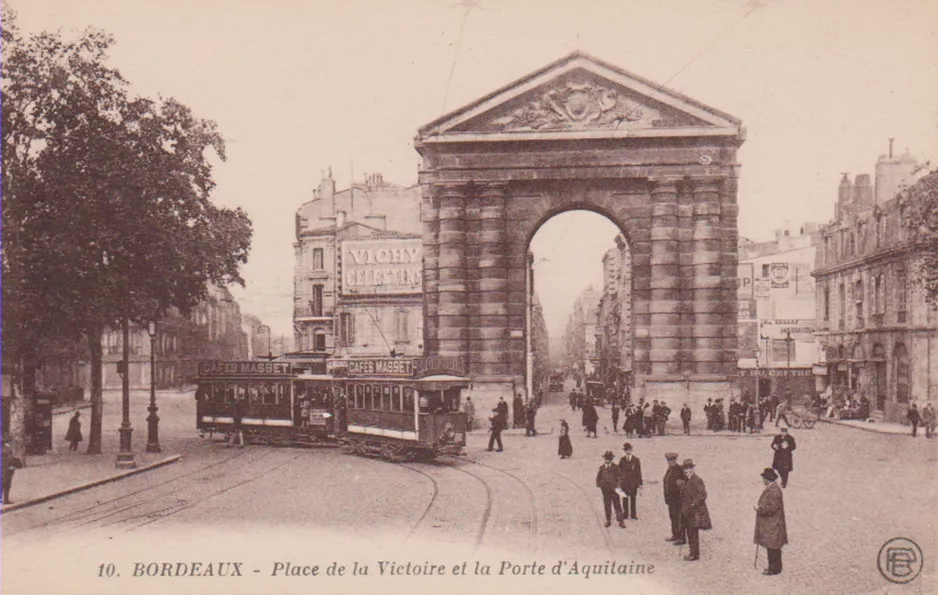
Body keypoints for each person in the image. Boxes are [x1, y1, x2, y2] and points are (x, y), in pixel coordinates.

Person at [754, 467, 788, 575]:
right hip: (773, 523)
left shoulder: (773, 490)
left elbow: (772, 508)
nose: (762, 480)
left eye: (763, 478)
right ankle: (776, 568)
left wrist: (760, 509)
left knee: (772, 547)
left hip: (772, 524)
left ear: (767, 479)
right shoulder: (773, 488)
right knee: (774, 547)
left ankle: (773, 569)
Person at [679, 459, 711, 561]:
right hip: (687, 510)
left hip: (694, 511)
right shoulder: (687, 479)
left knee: (693, 533)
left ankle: (694, 554)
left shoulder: (696, 480)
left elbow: (703, 494)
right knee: (689, 531)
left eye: (688, 468)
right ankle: (692, 552)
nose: (686, 470)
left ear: (693, 469)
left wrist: (694, 503)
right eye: (685, 468)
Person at [596, 451, 626, 529]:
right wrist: (600, 484)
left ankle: (621, 521)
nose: (607, 460)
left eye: (609, 459)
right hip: (605, 490)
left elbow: (620, 477)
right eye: (606, 459)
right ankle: (608, 520)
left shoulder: (616, 468)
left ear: (612, 459)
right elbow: (598, 478)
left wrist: (618, 486)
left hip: (614, 490)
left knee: (617, 505)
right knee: (607, 505)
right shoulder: (602, 468)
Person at [663, 452, 686, 544]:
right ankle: (675, 534)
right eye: (668, 461)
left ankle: (682, 537)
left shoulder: (679, 470)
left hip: (678, 499)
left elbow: (684, 483)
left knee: (680, 518)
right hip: (671, 499)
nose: (670, 462)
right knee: (673, 517)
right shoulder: (669, 470)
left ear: (675, 460)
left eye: (672, 460)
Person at [618, 443, 642, 520]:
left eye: (629, 450)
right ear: (625, 451)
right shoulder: (622, 460)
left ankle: (633, 514)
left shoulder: (636, 460)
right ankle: (625, 514)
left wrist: (640, 483)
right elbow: (619, 472)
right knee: (625, 498)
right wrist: (619, 482)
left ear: (631, 450)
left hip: (633, 483)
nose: (628, 451)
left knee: (633, 498)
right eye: (626, 450)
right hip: (624, 483)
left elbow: (639, 472)